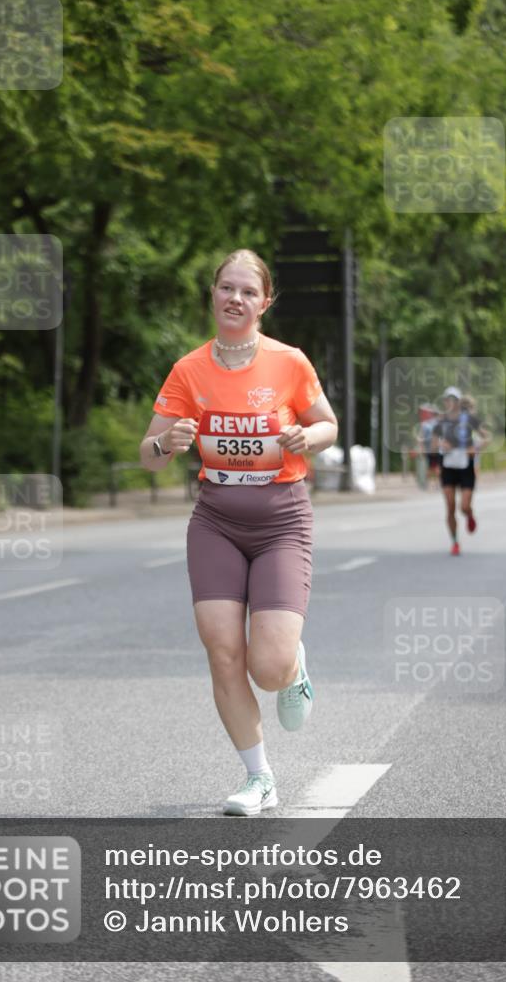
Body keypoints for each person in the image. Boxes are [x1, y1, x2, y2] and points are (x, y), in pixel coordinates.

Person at [140, 249, 338, 816]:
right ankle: (260, 779)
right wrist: (165, 444)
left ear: (265, 302)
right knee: (222, 651)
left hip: (281, 520)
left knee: (267, 667)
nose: (236, 298)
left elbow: (326, 422)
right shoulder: (188, 369)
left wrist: (312, 438)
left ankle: (293, 665)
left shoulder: (289, 362)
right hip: (216, 521)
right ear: (213, 294)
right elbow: (149, 454)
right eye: (227, 288)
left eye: (248, 292)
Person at [432, 387, 490, 556]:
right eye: (446, 400)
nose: (448, 403)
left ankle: (469, 515)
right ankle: (455, 542)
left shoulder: (469, 419)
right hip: (448, 466)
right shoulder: (441, 422)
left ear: (458, 402)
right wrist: (440, 446)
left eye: (452, 399)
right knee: (450, 507)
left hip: (466, 467)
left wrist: (475, 447)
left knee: (463, 507)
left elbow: (487, 437)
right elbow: (433, 445)